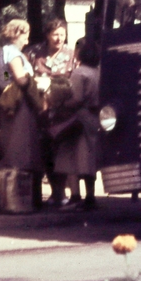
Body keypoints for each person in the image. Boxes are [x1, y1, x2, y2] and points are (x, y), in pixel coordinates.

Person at [48, 38, 101, 210]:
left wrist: (60, 104)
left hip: (79, 118)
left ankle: (75, 195)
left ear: (80, 53)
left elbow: (76, 98)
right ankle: (91, 196)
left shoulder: (79, 73)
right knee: (89, 159)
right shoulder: (98, 71)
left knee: (74, 158)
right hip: (94, 118)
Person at [0, 19, 42, 201]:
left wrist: (8, 82)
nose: (27, 41)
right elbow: (20, 78)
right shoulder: (13, 53)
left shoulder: (2, 52)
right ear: (17, 34)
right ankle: (21, 197)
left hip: (9, 101)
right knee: (21, 147)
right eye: (25, 36)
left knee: (12, 146)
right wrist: (37, 82)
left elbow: (4, 75)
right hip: (20, 103)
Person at [29, 19, 75, 206]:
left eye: (62, 34)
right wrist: (8, 81)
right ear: (47, 35)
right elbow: (7, 72)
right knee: (45, 151)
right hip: (40, 111)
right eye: (55, 34)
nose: (59, 38)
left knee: (62, 151)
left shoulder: (72, 54)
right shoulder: (34, 54)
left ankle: (61, 192)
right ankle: (54, 192)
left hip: (64, 111)